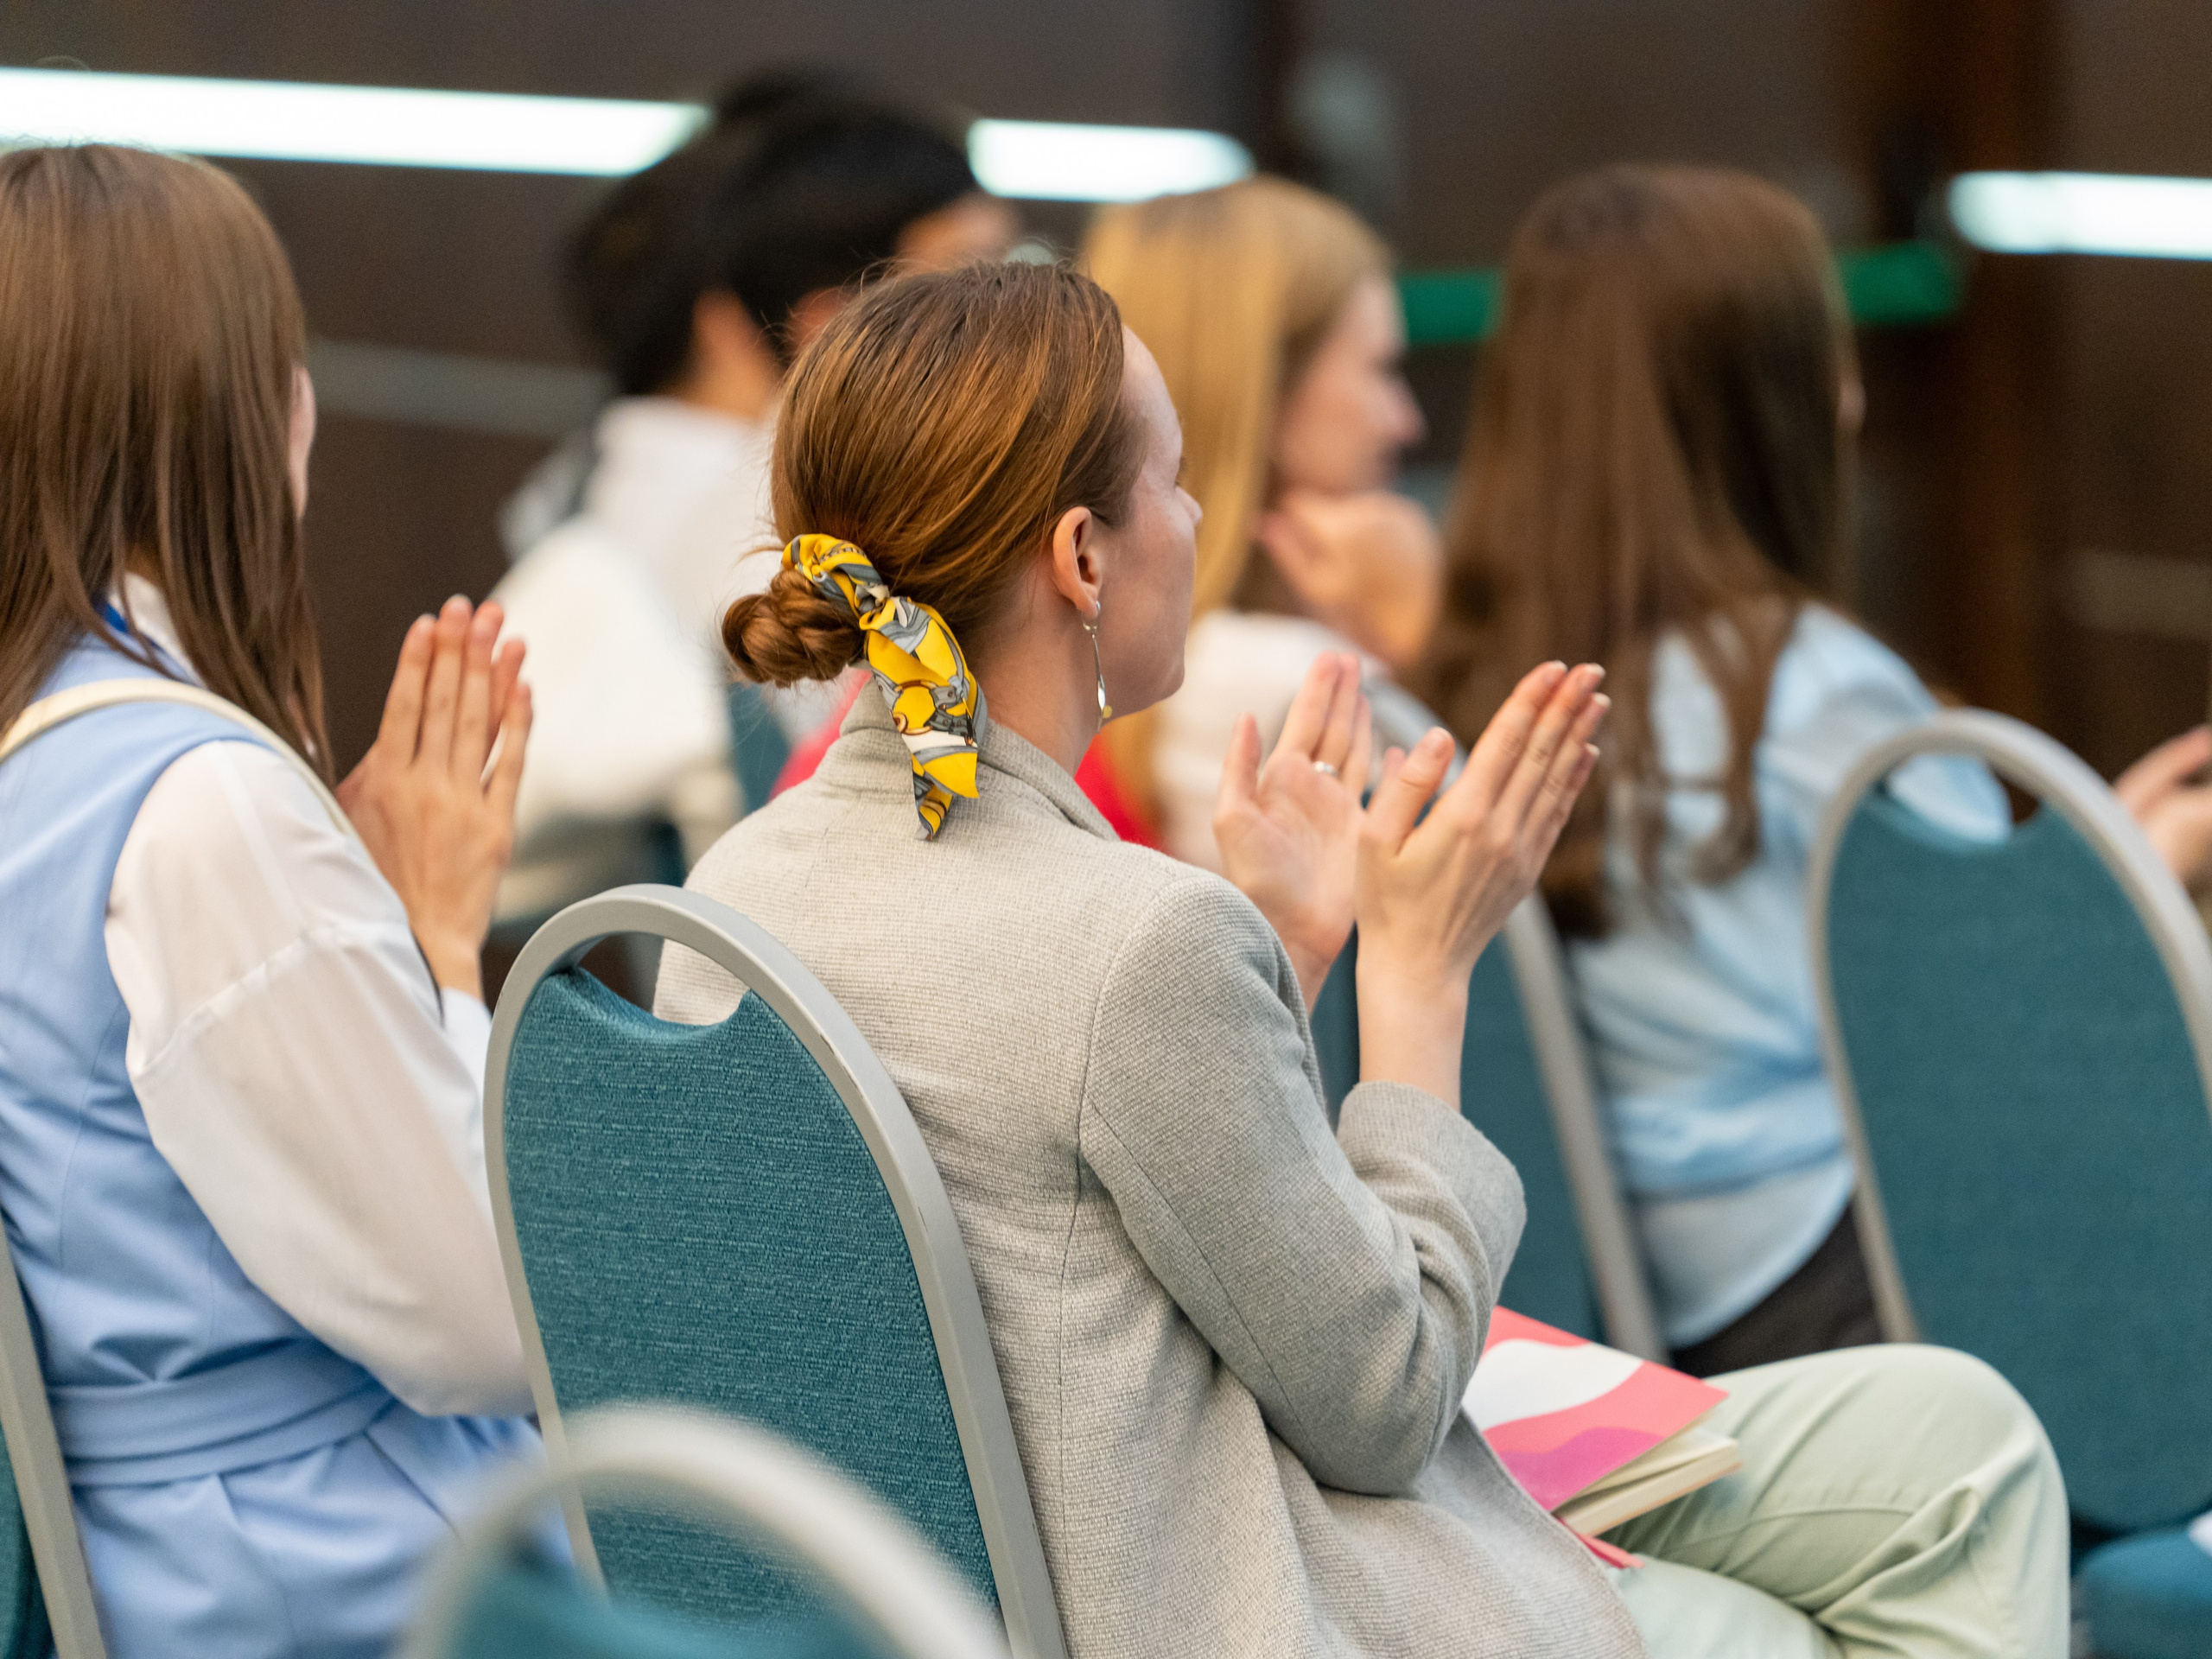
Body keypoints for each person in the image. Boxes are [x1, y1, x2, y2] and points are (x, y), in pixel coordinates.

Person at [658, 259, 2066, 1658]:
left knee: (1952, 1436)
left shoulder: (733, 897)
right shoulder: (1130, 938)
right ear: (1085, 557)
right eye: (1178, 479)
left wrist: (1287, 961)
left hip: (1005, 1585)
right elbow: (1386, 1401)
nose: (1200, 518)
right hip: (1236, 1586)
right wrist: (1420, 977)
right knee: (1920, 1510)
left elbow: (1077, 1214)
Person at [1413, 162, 2212, 1377]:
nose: (1851, 401)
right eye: (1823, 361)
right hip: (1860, 1284)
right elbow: (1984, 1048)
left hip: (1662, 1295)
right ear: (1765, 405)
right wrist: (2135, 885)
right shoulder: (1806, 686)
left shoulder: (1478, 685)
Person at [0, 145, 542, 1657]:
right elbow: (496, 1323)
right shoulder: (202, 809)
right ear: (246, 415)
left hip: (158, 1575)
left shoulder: (50, 764)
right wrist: (436, 940)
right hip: (352, 1591)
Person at [493, 69, 1018, 919]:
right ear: (828, 322)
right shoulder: (760, 518)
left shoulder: (602, 488)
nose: (1015, 320)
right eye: (970, 280)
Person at [1083, 176, 1440, 867]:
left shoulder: (1172, 651)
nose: (1407, 420)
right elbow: (1510, 939)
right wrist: (1425, 633)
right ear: (1265, 393)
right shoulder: (1280, 680)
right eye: (1382, 370)